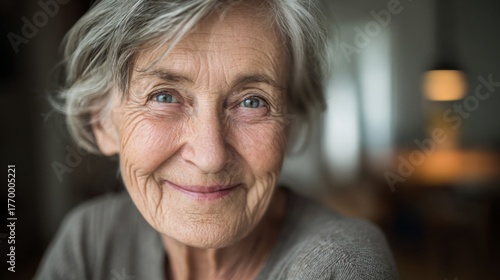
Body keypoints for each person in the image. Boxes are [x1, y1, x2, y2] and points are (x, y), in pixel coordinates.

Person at [35, 0, 399, 279]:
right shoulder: (90, 239)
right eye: (164, 97)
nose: (211, 156)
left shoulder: (339, 264)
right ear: (102, 123)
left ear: (289, 123)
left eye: (252, 101)